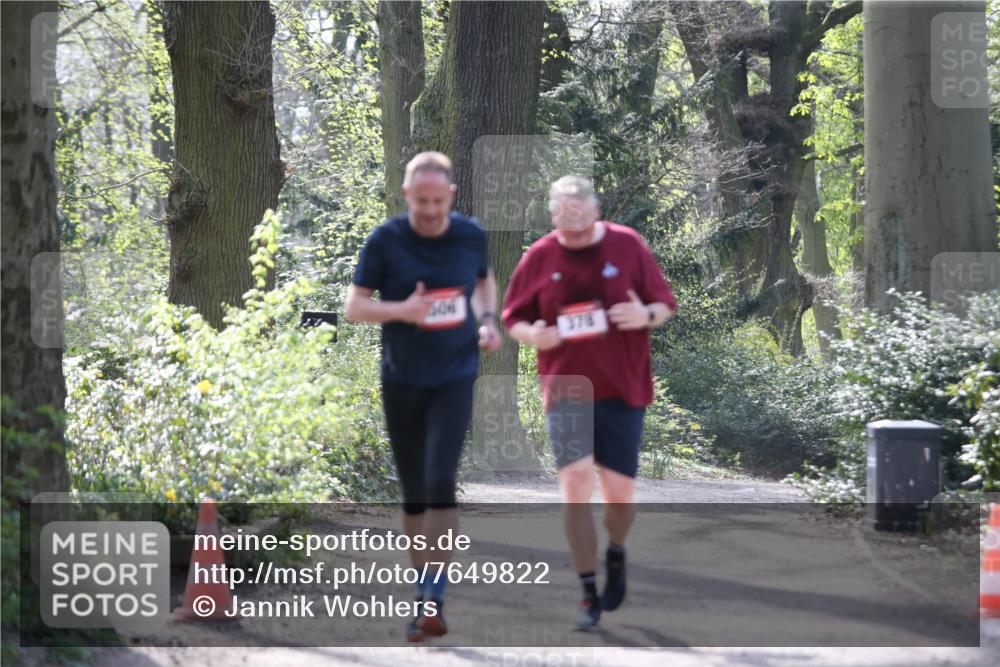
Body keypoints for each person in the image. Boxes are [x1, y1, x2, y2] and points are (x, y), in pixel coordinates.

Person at [501, 175, 677, 631]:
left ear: (595, 210)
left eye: (581, 217)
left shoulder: (628, 245)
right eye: (564, 218)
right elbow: (513, 317)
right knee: (576, 484)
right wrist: (532, 334)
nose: (573, 228)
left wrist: (644, 315)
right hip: (567, 387)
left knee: (620, 498)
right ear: (553, 213)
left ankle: (615, 551)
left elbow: (664, 304)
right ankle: (585, 592)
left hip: (622, 387)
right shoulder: (539, 256)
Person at [344, 151, 501, 642]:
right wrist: (404, 310)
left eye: (438, 200)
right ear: (407, 195)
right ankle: (422, 585)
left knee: (440, 481)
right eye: (421, 200)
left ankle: (434, 596)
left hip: (455, 374)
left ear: (450, 196)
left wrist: (488, 320)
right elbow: (354, 307)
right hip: (403, 377)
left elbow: (481, 281)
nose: (431, 210)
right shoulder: (385, 241)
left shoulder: (470, 234)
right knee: (413, 493)